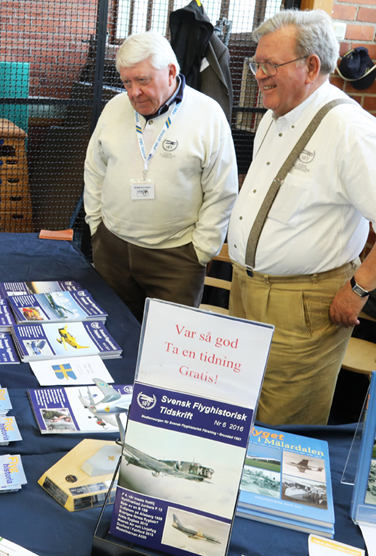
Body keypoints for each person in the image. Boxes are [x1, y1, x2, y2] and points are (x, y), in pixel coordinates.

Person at [227, 10, 376, 425]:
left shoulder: (351, 130)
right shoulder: (275, 119)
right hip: (248, 293)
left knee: (281, 431)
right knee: (240, 408)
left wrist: (358, 289)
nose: (258, 75)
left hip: (303, 308)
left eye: (270, 65)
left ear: (311, 66)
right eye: (257, 65)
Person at [83, 31, 238, 321]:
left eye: (143, 80)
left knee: (167, 348)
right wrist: (97, 227)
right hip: (112, 248)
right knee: (113, 335)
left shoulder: (208, 115)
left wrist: (201, 251)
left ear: (171, 72)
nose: (133, 93)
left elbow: (222, 190)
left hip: (176, 258)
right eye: (126, 82)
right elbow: (94, 168)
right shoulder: (115, 108)